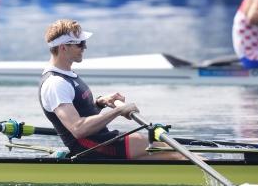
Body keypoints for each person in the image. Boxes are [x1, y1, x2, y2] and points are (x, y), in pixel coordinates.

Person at [39, 19, 184, 160]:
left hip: (101, 142)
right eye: (80, 44)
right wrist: (118, 111)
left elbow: (83, 114)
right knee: (177, 153)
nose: (85, 47)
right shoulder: (55, 83)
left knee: (169, 152)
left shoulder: (67, 76)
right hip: (92, 148)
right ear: (63, 47)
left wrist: (100, 103)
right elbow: (78, 129)